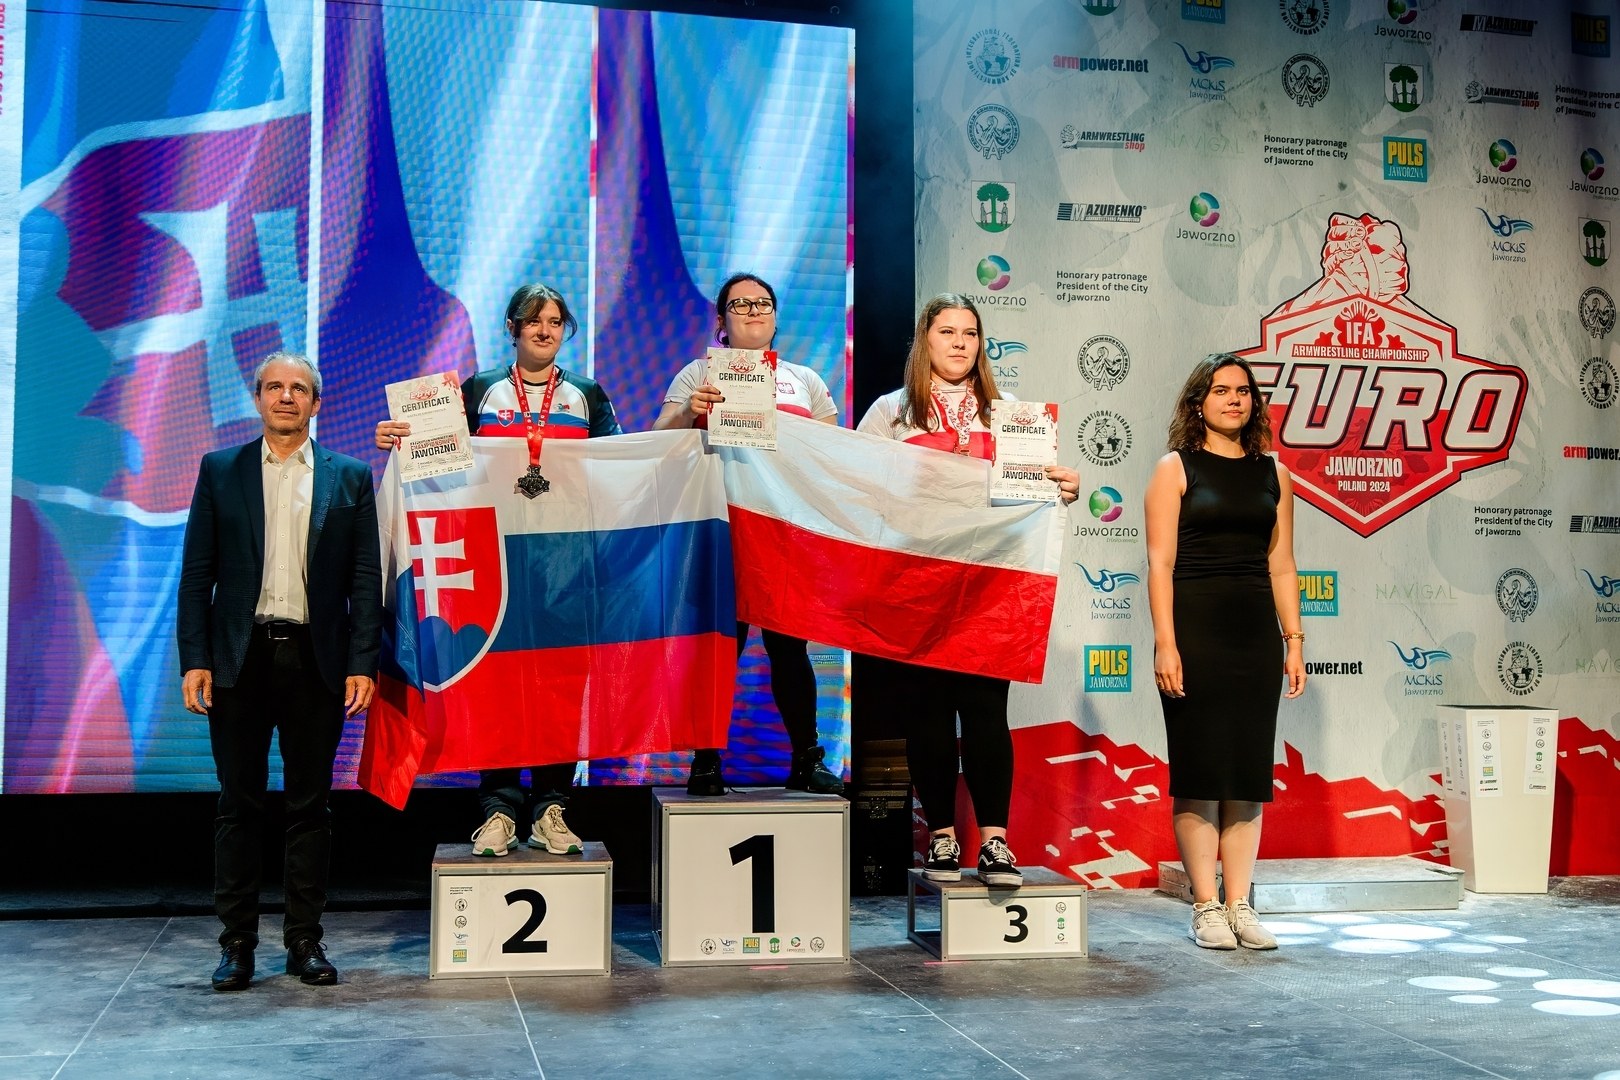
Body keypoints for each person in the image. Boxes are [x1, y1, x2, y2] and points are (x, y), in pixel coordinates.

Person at [375, 284, 622, 858]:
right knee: (496, 683)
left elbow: (618, 467)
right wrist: (398, 441)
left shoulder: (587, 394)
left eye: (556, 321)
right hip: (499, 561)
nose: (545, 330)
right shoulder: (481, 390)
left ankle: (553, 807)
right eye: (534, 320)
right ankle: (499, 808)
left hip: (566, 564)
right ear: (512, 327)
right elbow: (439, 460)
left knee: (561, 685)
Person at [856, 293, 1079, 887]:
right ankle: (944, 838)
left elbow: (1031, 493)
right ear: (924, 341)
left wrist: (1061, 484)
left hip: (988, 585)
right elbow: (856, 483)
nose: (959, 342)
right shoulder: (890, 413)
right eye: (947, 331)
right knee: (927, 714)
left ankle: (998, 843)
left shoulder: (1009, 414)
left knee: (985, 712)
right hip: (920, 582)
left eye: (971, 333)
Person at [179, 351, 383, 992]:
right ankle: (236, 946)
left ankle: (304, 943)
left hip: (316, 661)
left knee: (309, 807)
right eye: (274, 387)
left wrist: (361, 663)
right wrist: (195, 660)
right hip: (240, 661)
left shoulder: (349, 477)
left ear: (316, 404)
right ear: (259, 398)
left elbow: (363, 578)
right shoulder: (221, 470)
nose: (285, 397)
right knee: (237, 806)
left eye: (299, 389)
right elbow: (196, 576)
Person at [652, 272, 844, 797]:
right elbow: (657, 441)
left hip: (785, 533)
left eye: (763, 303)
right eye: (740, 304)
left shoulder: (803, 379)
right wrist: (692, 412)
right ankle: (706, 761)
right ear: (721, 320)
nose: (753, 311)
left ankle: (807, 758)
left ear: (776, 315)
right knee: (720, 651)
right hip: (723, 529)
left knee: (789, 651)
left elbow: (836, 452)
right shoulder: (697, 373)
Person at [1143, 352, 1306, 951]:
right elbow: (1159, 562)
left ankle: (1241, 904)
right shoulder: (1175, 468)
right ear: (1198, 403)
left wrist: (1293, 641)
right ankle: (1206, 905)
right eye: (1220, 391)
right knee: (1200, 772)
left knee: (1245, 775)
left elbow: (1282, 564)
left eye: (1243, 391)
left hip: (1255, 638)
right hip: (1195, 631)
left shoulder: (1275, 474)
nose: (1234, 399)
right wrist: (1166, 641)